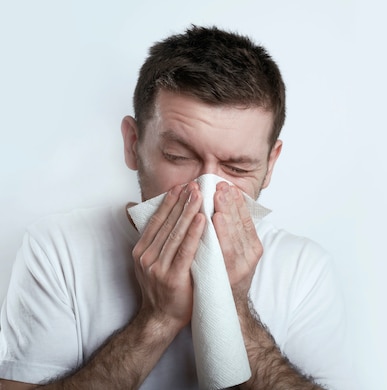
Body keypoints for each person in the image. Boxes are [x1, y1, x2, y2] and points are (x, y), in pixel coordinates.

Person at [0, 25, 349, 389]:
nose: (207, 190)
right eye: (178, 156)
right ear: (133, 144)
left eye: (238, 168)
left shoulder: (303, 269)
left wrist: (235, 314)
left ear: (270, 164)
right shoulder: (58, 250)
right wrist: (157, 320)